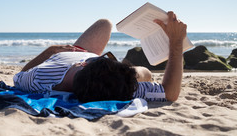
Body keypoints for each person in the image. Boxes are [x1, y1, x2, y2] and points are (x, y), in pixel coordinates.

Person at [13, 11, 187, 102]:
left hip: (72, 53)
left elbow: (18, 77)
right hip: (107, 74)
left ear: (82, 65)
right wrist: (176, 42)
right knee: (146, 74)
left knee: (105, 24)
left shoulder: (39, 78)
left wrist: (50, 51)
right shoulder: (121, 89)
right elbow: (170, 93)